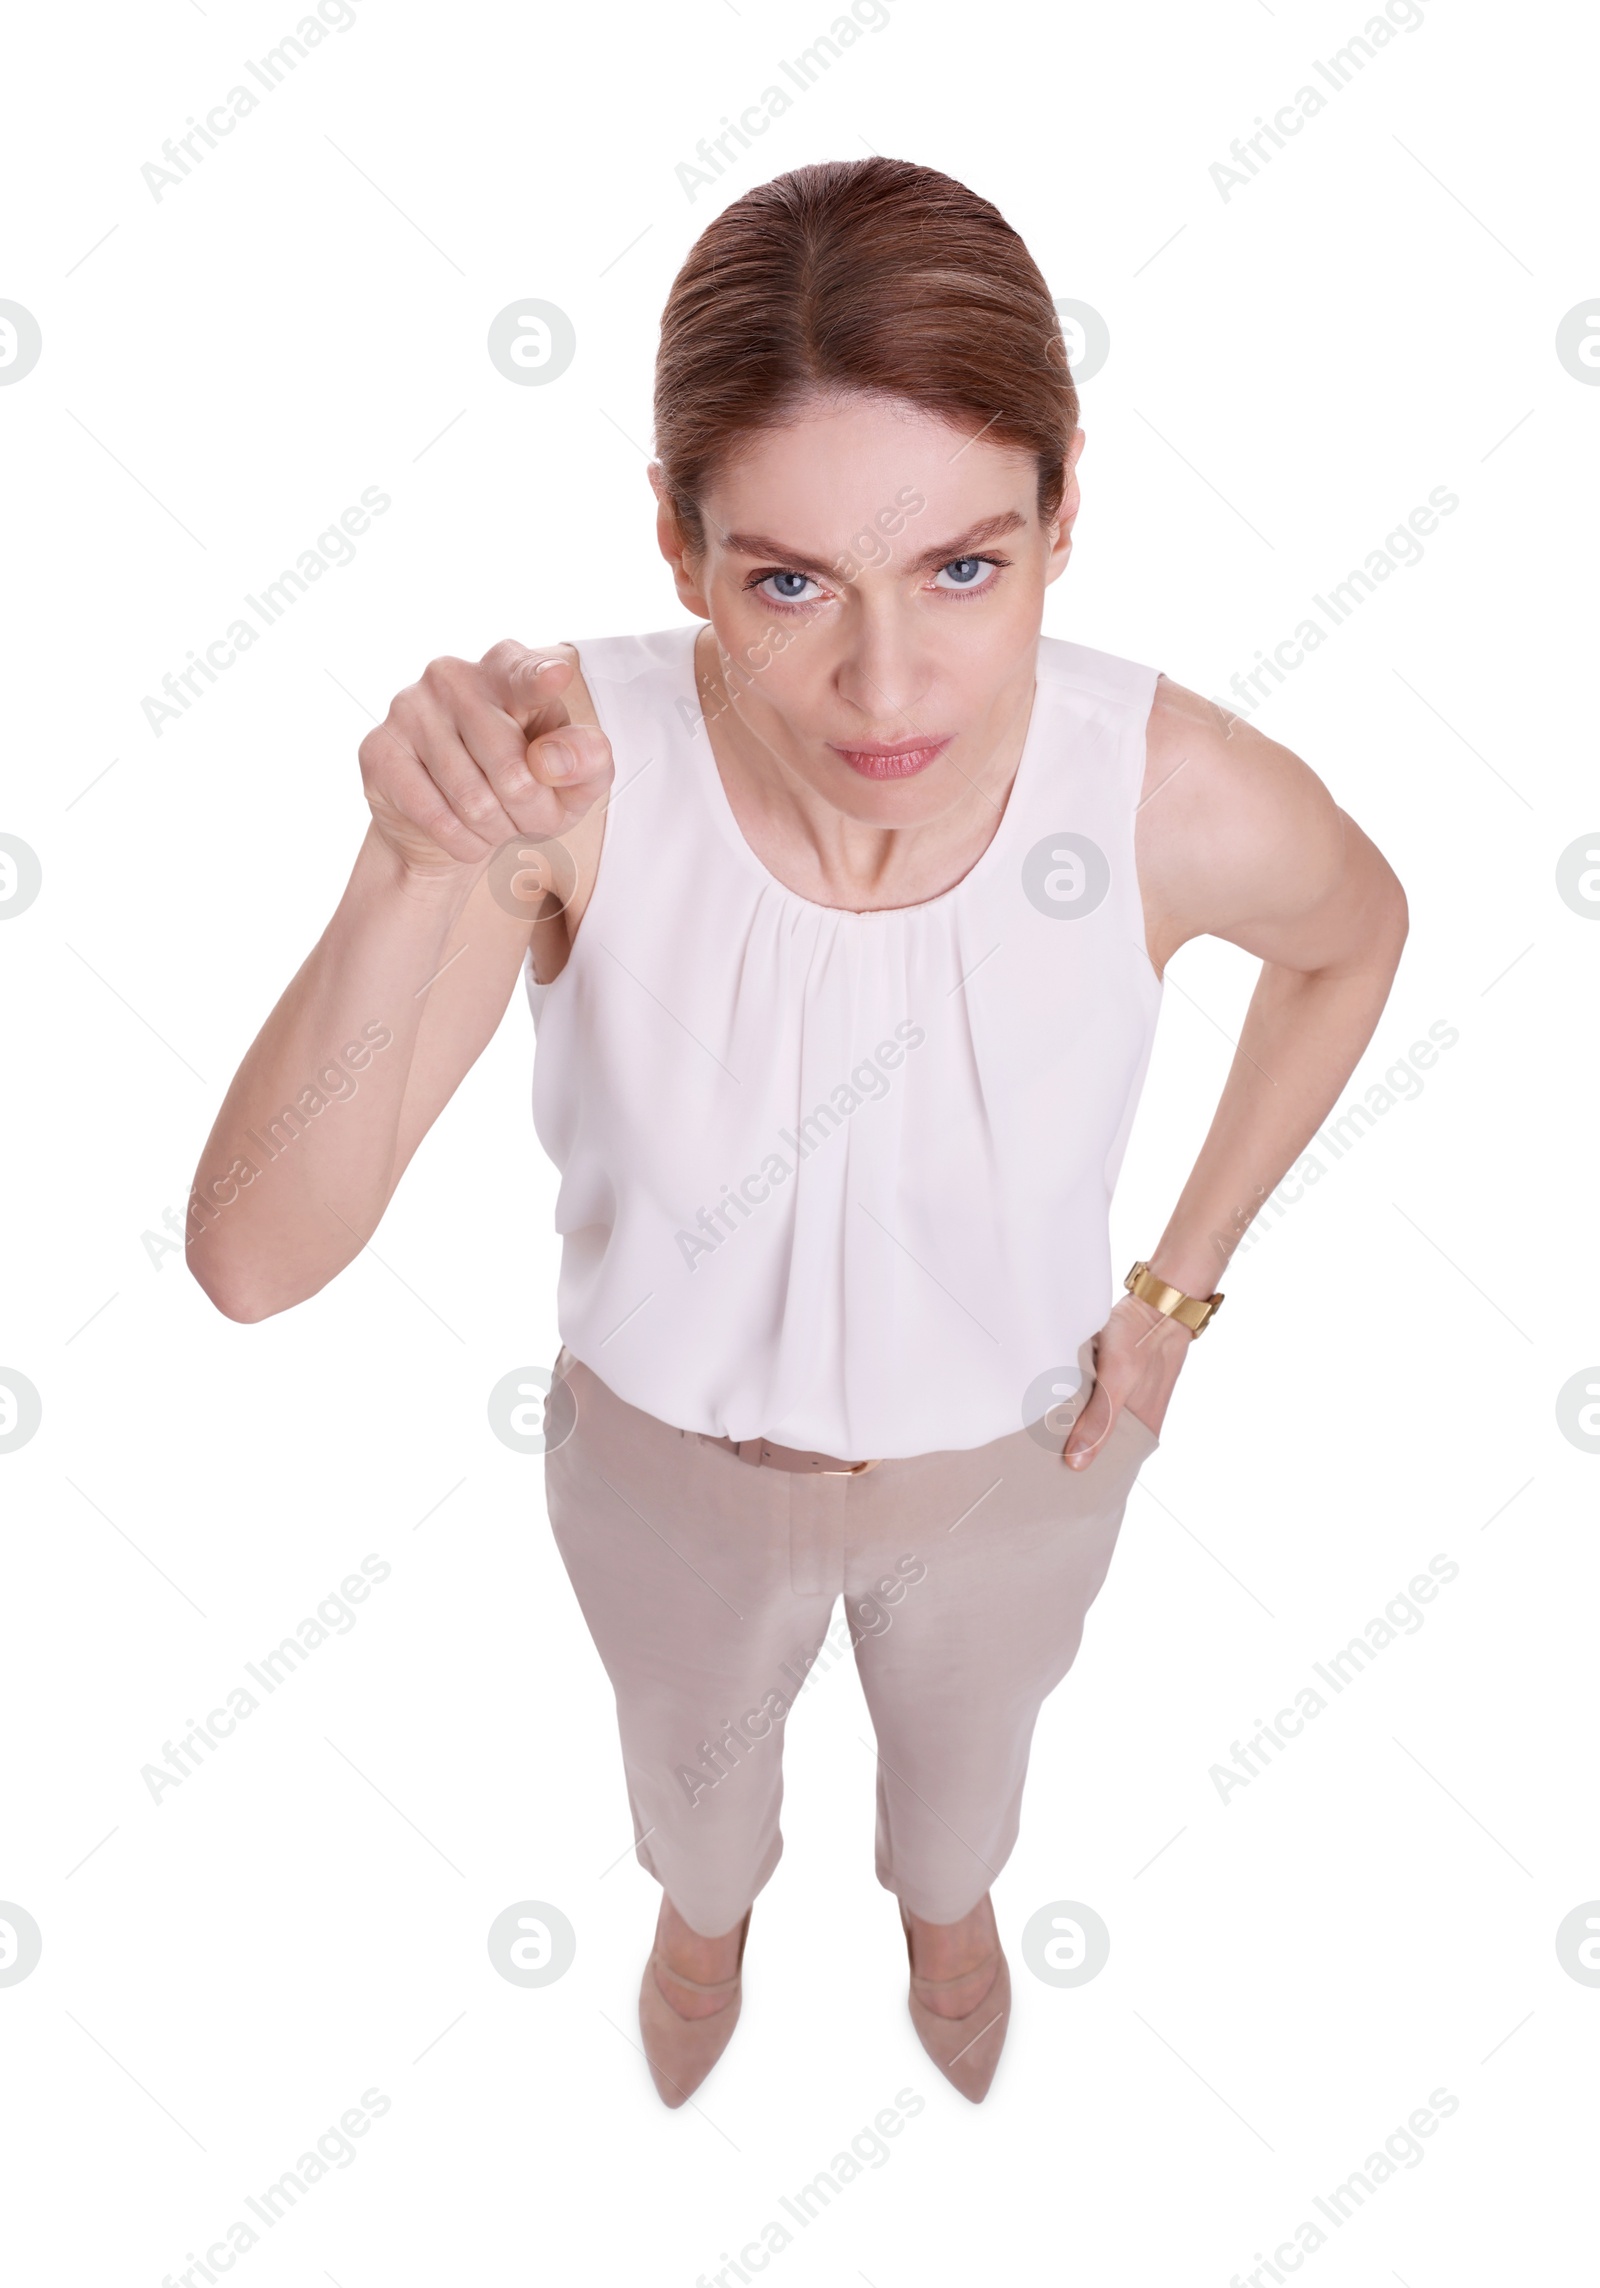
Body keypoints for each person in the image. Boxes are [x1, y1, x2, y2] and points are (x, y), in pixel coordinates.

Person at [187, 157, 1407, 2107]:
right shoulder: (566, 776)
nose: (885, 685)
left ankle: (945, 1924)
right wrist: (405, 870)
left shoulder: (1167, 789)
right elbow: (256, 1258)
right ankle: (702, 1919)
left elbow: (1354, 945)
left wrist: (1172, 1293)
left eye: (959, 568)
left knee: (960, 1792)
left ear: (1061, 515)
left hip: (1015, 1457)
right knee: (690, 1794)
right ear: (676, 551)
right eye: (786, 582)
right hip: (660, 1460)